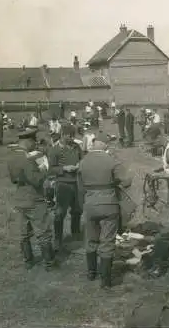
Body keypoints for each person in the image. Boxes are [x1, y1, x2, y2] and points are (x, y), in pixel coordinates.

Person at [78, 132, 133, 288]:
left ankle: (91, 272)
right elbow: (126, 182)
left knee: (90, 238)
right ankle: (106, 280)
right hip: (109, 203)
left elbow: (80, 186)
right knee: (107, 240)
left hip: (89, 203)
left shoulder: (83, 161)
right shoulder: (111, 161)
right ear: (104, 144)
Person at [7, 128, 56, 271]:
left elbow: (13, 180)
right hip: (34, 198)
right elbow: (36, 180)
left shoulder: (12, 158)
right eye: (33, 142)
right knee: (43, 232)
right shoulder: (27, 160)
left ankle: (28, 261)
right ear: (28, 141)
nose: (34, 145)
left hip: (19, 198)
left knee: (24, 233)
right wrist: (44, 169)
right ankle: (49, 263)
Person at [47, 123, 84, 252]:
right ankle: (58, 239)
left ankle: (75, 234)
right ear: (62, 135)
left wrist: (80, 164)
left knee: (77, 210)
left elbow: (82, 159)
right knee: (60, 212)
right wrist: (64, 168)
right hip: (63, 184)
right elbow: (50, 169)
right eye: (70, 136)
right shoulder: (54, 150)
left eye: (73, 135)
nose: (72, 138)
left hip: (77, 183)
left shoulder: (76, 147)